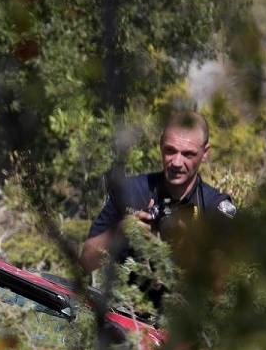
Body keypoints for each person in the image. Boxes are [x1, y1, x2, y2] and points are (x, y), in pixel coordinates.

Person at [80, 111, 237, 274]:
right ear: (161, 144)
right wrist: (121, 232)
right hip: (127, 297)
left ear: (205, 153)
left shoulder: (216, 208)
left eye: (188, 154)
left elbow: (230, 282)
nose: (176, 162)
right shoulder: (129, 191)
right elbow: (85, 261)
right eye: (170, 150)